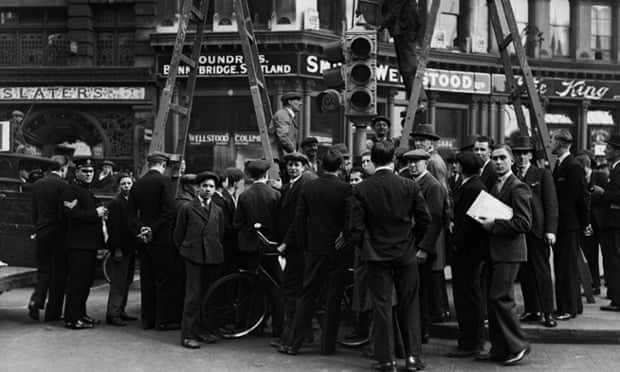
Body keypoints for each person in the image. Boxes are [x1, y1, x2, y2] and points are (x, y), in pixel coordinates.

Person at [350, 141, 431, 372]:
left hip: (376, 255)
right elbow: (425, 219)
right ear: (394, 160)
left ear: (373, 161)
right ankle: (413, 357)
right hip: (405, 253)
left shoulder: (362, 189)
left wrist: (367, 245)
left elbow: (355, 228)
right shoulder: (409, 186)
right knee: (410, 304)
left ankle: (386, 359)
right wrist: (412, 241)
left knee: (382, 306)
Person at [279, 149, 352, 355]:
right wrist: (344, 236)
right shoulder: (346, 189)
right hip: (337, 251)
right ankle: (327, 346)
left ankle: (294, 343)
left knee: (306, 295)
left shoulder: (309, 188)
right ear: (340, 167)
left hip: (314, 249)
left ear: (320, 165)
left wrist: (305, 245)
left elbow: (299, 220)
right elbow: (350, 219)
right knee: (333, 298)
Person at [477, 144, 532, 366]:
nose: (498, 162)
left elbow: (524, 223)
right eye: (494, 158)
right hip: (495, 251)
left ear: (511, 160)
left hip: (510, 253)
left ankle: (519, 345)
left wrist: (494, 225)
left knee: (501, 298)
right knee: (494, 299)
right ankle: (500, 348)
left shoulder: (518, 187)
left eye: (502, 158)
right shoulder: (495, 185)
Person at [126, 151, 179, 330]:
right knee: (164, 280)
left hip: (143, 240)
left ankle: (147, 320)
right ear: (163, 165)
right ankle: (163, 320)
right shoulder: (164, 181)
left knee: (147, 279)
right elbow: (169, 211)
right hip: (161, 239)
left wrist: (141, 229)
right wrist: (153, 230)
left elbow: (130, 213)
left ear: (149, 164)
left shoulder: (137, 184)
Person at [402, 149, 448, 344]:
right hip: (409, 244)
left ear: (426, 163)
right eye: (410, 162)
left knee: (420, 291)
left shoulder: (432, 185)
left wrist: (424, 248)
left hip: (421, 246)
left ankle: (422, 331)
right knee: (412, 290)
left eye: (417, 162)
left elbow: (435, 220)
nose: (413, 165)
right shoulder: (410, 181)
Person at [234, 159, 283, 336]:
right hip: (270, 248)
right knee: (277, 286)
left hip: (250, 248)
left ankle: (250, 325)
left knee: (250, 286)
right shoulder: (275, 195)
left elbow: (237, 224)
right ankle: (278, 326)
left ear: (250, 176)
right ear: (266, 175)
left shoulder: (244, 196)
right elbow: (280, 225)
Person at [174, 171, 224, 348]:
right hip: (193, 256)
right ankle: (188, 335)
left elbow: (221, 233)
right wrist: (187, 251)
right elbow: (178, 235)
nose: (208, 189)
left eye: (211, 186)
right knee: (192, 297)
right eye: (204, 186)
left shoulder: (218, 210)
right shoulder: (187, 208)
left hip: (212, 257)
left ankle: (203, 331)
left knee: (207, 295)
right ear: (197, 188)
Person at [512, 136, 558, 328]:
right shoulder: (512, 174)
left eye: (525, 153)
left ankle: (548, 312)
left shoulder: (542, 174)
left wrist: (550, 230)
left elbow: (551, 204)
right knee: (525, 272)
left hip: (537, 231)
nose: (522, 157)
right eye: (518, 154)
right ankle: (532, 309)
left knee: (541, 272)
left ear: (530, 155)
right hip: (517, 230)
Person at [446, 151, 487, 358]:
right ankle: (469, 340)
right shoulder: (469, 185)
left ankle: (472, 342)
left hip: (468, 251)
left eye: (457, 164)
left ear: (464, 167)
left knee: (468, 296)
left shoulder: (474, 187)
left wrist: (456, 241)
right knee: (465, 296)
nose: (454, 166)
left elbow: (471, 221)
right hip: (465, 250)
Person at [275, 151, 319, 347]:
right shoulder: (290, 186)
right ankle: (302, 332)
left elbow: (297, 221)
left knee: (292, 289)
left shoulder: (303, 186)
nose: (293, 168)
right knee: (296, 289)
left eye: (297, 165)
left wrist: (285, 243)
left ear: (304, 168)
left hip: (297, 246)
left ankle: (291, 336)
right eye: (290, 165)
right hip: (292, 245)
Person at [549, 130, 591, 320]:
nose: (550, 143)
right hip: (564, 224)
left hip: (569, 225)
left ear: (560, 142)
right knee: (564, 265)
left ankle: (568, 308)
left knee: (566, 267)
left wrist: (585, 223)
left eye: (552, 140)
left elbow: (581, 198)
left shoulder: (572, 166)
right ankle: (572, 305)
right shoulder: (562, 164)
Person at [62, 158, 107, 329]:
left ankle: (81, 314)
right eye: (85, 171)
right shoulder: (71, 190)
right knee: (77, 282)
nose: (89, 174)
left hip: (88, 245)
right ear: (77, 172)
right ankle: (72, 318)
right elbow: (70, 214)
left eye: (91, 172)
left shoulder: (86, 191)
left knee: (86, 282)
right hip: (78, 244)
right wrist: (95, 213)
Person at [28, 155, 69, 322]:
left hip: (42, 232)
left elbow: (34, 212)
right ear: (63, 168)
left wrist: (38, 227)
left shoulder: (37, 185)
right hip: (59, 234)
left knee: (44, 269)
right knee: (59, 273)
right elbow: (64, 212)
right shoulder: (64, 185)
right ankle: (53, 313)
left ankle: (36, 301)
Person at [377, 0, 427, 104]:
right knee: (406, 68)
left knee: (408, 67)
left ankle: (419, 99)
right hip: (404, 31)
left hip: (405, 30)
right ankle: (417, 99)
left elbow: (394, 10)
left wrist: (380, 26)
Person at [591, 134, 620, 312]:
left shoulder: (618, 170)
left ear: (617, 151)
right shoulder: (614, 169)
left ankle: (617, 300)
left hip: (616, 223)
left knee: (615, 261)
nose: (605, 150)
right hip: (613, 223)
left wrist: (602, 193)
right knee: (613, 260)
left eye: (608, 148)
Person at [105, 173, 139, 326]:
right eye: (124, 184)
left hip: (130, 247)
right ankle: (113, 313)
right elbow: (113, 228)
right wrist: (116, 248)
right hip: (120, 248)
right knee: (118, 281)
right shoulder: (115, 203)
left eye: (129, 183)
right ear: (119, 186)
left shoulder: (132, 203)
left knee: (127, 280)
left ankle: (121, 310)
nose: (126, 186)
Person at [576, 154, 607, 295]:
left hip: (602, 222)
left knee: (608, 255)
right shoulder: (579, 179)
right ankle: (594, 284)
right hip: (587, 222)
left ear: (586, 167)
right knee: (590, 255)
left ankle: (611, 285)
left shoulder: (601, 176)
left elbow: (607, 196)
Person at [269, 91, 303, 179]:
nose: (301, 103)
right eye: (298, 100)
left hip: (281, 159)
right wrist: (295, 153)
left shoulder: (287, 116)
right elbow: (283, 137)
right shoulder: (283, 114)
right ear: (290, 102)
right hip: (277, 160)